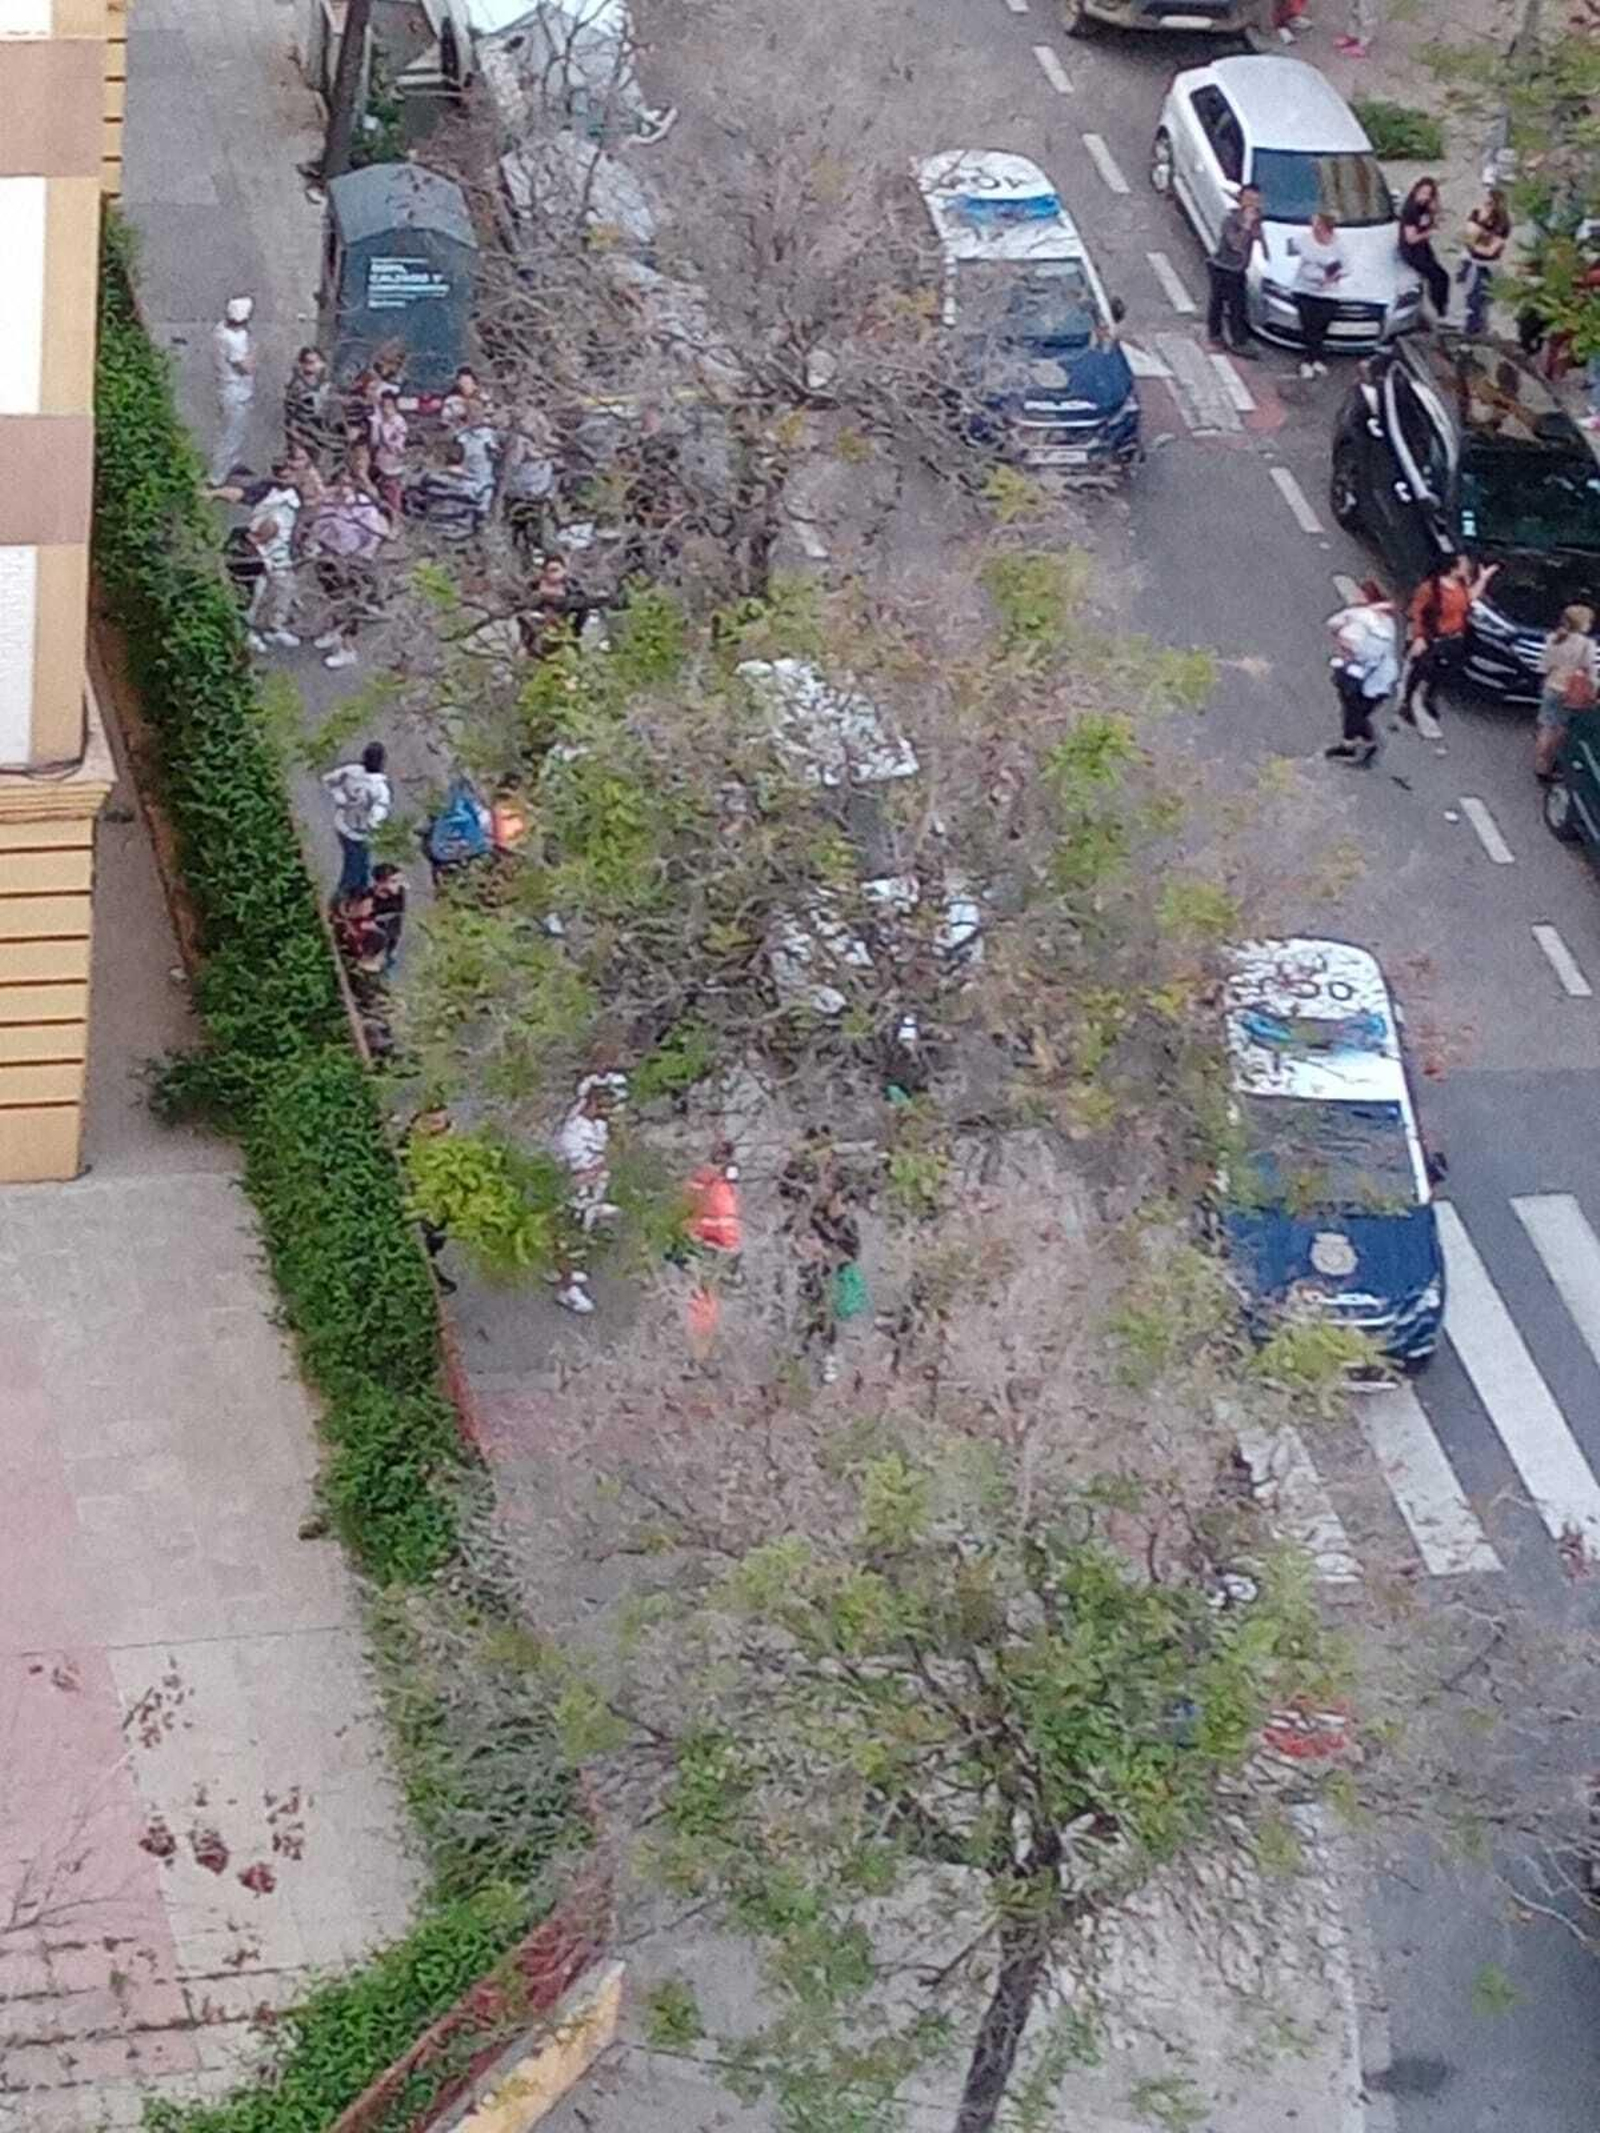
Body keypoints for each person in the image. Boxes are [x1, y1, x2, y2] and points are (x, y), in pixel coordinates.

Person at [550, 1073, 627, 1315]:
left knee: (580, 1236)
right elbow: (573, 1175)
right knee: (570, 1241)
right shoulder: (573, 1134)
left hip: (593, 1193)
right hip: (575, 1195)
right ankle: (567, 1288)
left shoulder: (599, 1124)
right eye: (607, 1106)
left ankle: (562, 1269)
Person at [307, 473, 395, 668]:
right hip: (329, 557)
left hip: (353, 561)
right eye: (340, 484)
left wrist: (361, 558)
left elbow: (374, 534)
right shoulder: (329, 503)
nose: (342, 489)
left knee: (350, 603)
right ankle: (333, 630)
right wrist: (314, 545)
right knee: (332, 598)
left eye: (347, 485)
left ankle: (347, 648)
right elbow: (318, 525)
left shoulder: (363, 508)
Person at [1401, 553, 1499, 728]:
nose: (1467, 566)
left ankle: (1429, 696)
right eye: (1463, 564)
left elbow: (1469, 598)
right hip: (1433, 637)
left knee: (1443, 671)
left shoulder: (1461, 585)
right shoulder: (1431, 588)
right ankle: (1406, 703)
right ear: (1453, 568)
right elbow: (1416, 612)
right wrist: (1418, 637)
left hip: (1453, 639)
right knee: (1421, 670)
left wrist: (1483, 579)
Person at [1324, 579, 1399, 765]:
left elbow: (1339, 629)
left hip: (1369, 679)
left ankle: (1354, 746)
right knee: (1354, 711)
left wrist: (1348, 646)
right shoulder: (1382, 619)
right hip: (1372, 677)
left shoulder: (1369, 620)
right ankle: (1363, 742)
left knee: (1354, 712)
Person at [1535, 604, 1598, 780]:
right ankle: (1551, 761)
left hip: (1551, 685)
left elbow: (1545, 665)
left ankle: (1540, 764)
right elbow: (1589, 670)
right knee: (1561, 727)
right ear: (1583, 623)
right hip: (1569, 690)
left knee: (1547, 725)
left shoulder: (1553, 638)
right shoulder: (1587, 645)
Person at [321, 742, 391, 900]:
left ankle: (361, 890)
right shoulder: (380, 788)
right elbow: (379, 813)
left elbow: (328, 780)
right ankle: (342, 898)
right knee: (353, 866)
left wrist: (339, 796)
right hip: (360, 834)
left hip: (343, 824)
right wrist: (374, 825)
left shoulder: (350, 771)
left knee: (361, 861)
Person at [1205, 185, 1265, 359]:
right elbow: (1235, 245)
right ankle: (1216, 335)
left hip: (1238, 269)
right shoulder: (1230, 220)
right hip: (1222, 267)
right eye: (1249, 199)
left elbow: (1259, 238)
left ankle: (1239, 339)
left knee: (1238, 305)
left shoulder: (1256, 221)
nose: (1253, 204)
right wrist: (1246, 225)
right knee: (1218, 302)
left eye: (1256, 200)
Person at [1286, 213, 1346, 379]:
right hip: (1305, 289)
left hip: (1328, 292)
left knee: (1321, 326)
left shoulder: (1339, 244)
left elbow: (1345, 266)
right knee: (1309, 325)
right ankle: (1310, 360)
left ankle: (1314, 358)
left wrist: (1331, 277)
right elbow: (1289, 249)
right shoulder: (1304, 239)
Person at [209, 296, 257, 483]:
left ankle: (232, 463)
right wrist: (255, 352)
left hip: (230, 388)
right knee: (230, 434)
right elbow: (247, 367)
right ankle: (216, 476)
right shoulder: (234, 340)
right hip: (235, 392)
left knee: (237, 431)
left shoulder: (220, 330)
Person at [243, 506, 300, 653]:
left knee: (280, 594)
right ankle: (249, 634)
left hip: (268, 572)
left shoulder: (246, 535)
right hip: (254, 578)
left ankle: (272, 627)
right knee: (255, 604)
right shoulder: (253, 550)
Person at [1460, 188, 1511, 338]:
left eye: (1489, 203)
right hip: (1471, 261)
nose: (1485, 205)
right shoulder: (1477, 214)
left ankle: (1475, 329)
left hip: (1487, 266)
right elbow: (1469, 235)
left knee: (1480, 298)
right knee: (1470, 296)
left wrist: (1475, 242)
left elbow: (1490, 251)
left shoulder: (1502, 224)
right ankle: (1472, 326)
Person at [1398, 178, 1450, 322]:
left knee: (1441, 276)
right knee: (1437, 277)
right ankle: (1439, 310)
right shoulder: (1410, 210)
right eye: (1423, 193)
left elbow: (1436, 215)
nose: (1425, 197)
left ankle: (1440, 306)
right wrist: (1429, 233)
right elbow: (1410, 238)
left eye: (1429, 194)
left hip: (1423, 247)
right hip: (1412, 250)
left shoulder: (1424, 207)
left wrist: (1434, 208)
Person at [283, 347, 333, 463]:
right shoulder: (297, 385)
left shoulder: (327, 385)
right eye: (309, 362)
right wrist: (293, 432)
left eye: (316, 362)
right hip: (302, 429)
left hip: (320, 430)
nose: (313, 366)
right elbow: (290, 410)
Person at [368, 385, 409, 517]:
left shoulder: (399, 421)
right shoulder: (378, 421)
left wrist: (386, 425)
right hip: (380, 460)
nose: (386, 409)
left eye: (389, 405)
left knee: (393, 490)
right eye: (384, 406)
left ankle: (396, 514)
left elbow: (396, 443)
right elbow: (374, 441)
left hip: (394, 461)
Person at [369, 863, 408, 973]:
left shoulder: (397, 892)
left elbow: (397, 909)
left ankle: (381, 965)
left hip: (389, 926)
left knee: (389, 945)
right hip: (383, 927)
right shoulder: (376, 894)